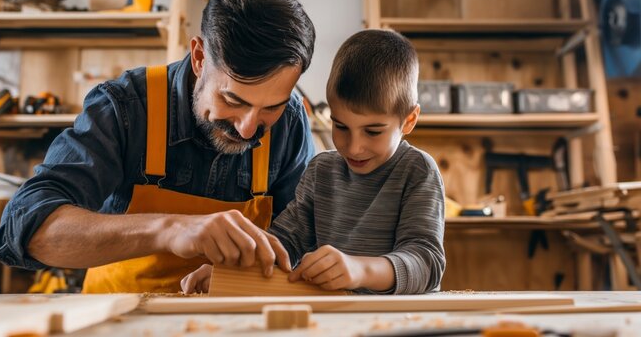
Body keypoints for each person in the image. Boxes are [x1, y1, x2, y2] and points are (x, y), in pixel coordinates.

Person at [0, 0, 316, 293]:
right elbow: (28, 228)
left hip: (231, 323)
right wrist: (170, 229)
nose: (248, 129)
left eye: (270, 108)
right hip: (119, 320)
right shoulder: (125, 107)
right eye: (233, 101)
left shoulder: (290, 123)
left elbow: (301, 242)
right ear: (200, 57)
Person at [181, 30, 445, 295]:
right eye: (340, 126)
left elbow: (426, 262)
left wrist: (360, 270)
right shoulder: (321, 171)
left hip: (404, 321)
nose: (353, 147)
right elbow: (285, 241)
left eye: (373, 132)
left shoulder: (418, 171)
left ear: (409, 120)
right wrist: (232, 274)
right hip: (333, 320)